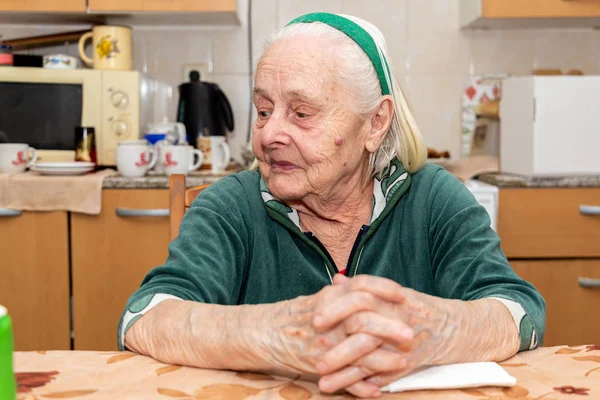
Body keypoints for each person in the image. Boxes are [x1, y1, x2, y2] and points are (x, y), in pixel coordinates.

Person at [119, 13, 545, 398]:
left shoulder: (433, 198)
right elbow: (144, 318)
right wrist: (275, 333)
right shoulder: (230, 207)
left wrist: (440, 330)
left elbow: (519, 309)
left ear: (375, 123)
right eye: (263, 110)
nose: (269, 134)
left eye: (302, 113)